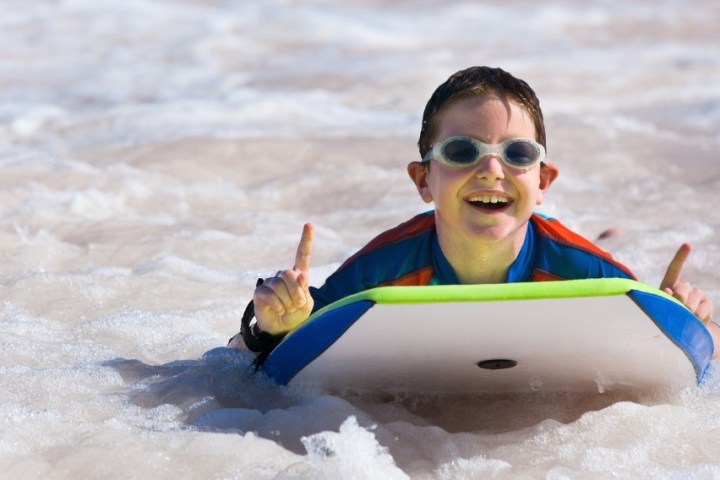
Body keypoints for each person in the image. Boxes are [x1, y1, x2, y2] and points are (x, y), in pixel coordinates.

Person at [230, 66, 718, 360]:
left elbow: (700, 348)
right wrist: (273, 324)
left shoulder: (580, 269)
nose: (491, 169)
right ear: (424, 180)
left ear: (543, 182)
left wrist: (685, 320)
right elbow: (254, 352)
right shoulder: (387, 267)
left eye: (518, 154)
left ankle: (610, 233)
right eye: (463, 151)